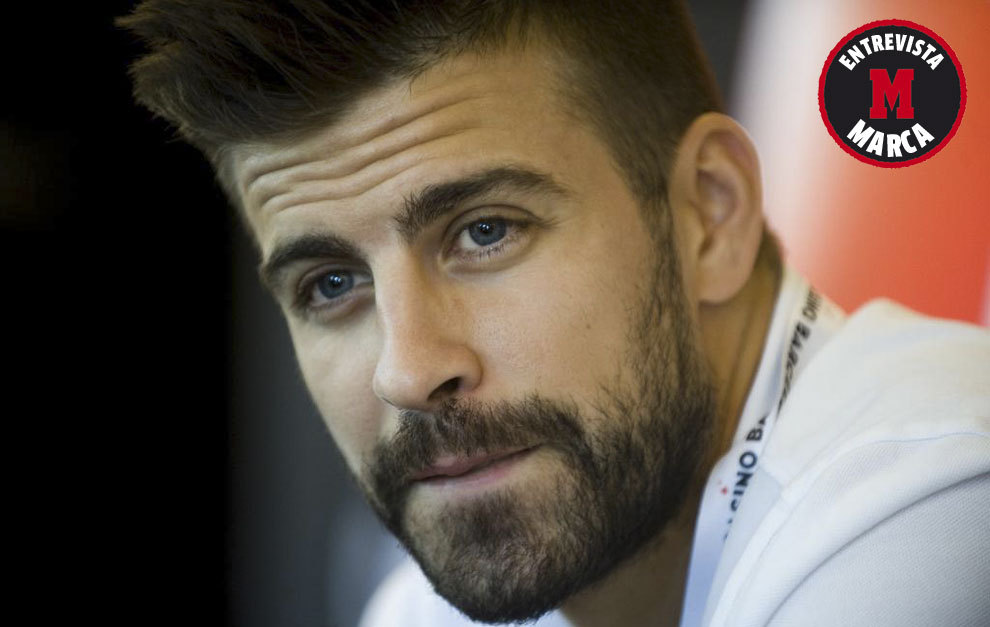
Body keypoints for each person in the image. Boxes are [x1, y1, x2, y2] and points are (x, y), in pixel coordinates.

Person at [119, 1, 990, 625]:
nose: (407, 371)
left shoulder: (940, 494)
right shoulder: (418, 606)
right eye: (331, 284)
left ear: (709, 212)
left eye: (486, 231)